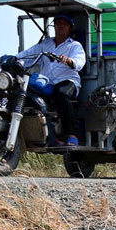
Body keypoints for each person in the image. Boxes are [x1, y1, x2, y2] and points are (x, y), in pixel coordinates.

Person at [16, 13, 86, 145]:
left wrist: (69, 60)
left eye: (64, 24)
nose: (61, 26)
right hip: (47, 82)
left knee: (60, 93)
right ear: (54, 25)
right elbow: (27, 55)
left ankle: (71, 134)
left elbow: (79, 62)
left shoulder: (74, 45)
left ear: (70, 27)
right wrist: (13, 59)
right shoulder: (45, 44)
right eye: (58, 23)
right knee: (25, 93)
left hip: (68, 80)